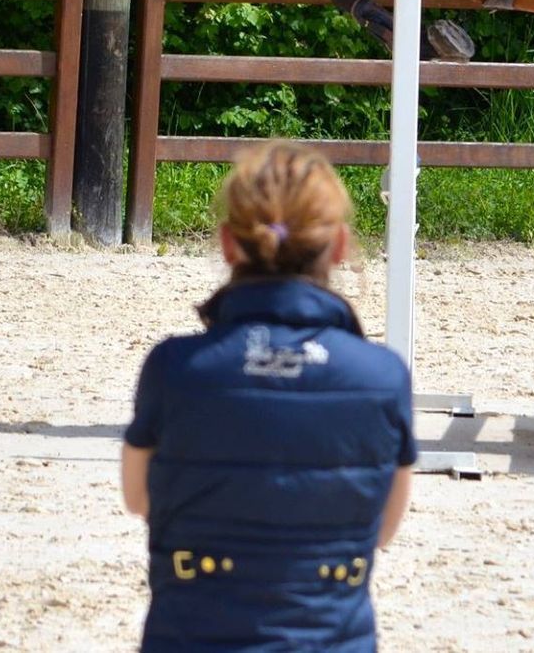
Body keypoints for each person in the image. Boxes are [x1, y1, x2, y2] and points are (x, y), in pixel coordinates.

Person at [120, 141, 416, 652]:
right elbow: (383, 530)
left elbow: (138, 497)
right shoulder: (382, 376)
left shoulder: (174, 366)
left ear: (228, 244)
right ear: (339, 246)